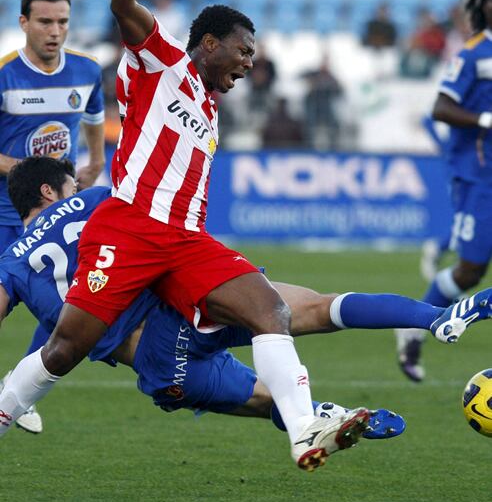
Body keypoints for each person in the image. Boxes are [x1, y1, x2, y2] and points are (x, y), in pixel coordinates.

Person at [0, 0, 487, 471]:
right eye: (243, 52)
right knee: (67, 346)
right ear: (208, 43)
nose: (249, 65)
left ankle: (305, 427)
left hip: (186, 242)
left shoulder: (209, 108)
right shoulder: (163, 62)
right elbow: (123, 6)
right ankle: (4, 409)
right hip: (128, 226)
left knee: (271, 311)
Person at [3, 156, 490, 441]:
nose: (78, 186)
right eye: (70, 183)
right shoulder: (97, 201)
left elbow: (61, 336)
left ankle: (323, 416)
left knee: (262, 400)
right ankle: (437, 317)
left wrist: (17, 396)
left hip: (159, 365)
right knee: (318, 308)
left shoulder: (14, 266)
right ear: (52, 191)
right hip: (184, 313)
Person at [0, 0, 106, 433]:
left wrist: (95, 162)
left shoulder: (85, 70)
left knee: (68, 303)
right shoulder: (5, 74)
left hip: (57, 214)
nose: (55, 31)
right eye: (44, 21)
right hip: (7, 212)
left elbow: (95, 118)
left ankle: (18, 385)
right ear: (24, 22)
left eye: (62, 21)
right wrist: (32, 169)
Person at [397, 0, 492, 380]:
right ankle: (413, 326)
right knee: (471, 270)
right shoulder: (472, 54)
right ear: (484, 6)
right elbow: (440, 107)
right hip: (479, 176)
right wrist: (486, 119)